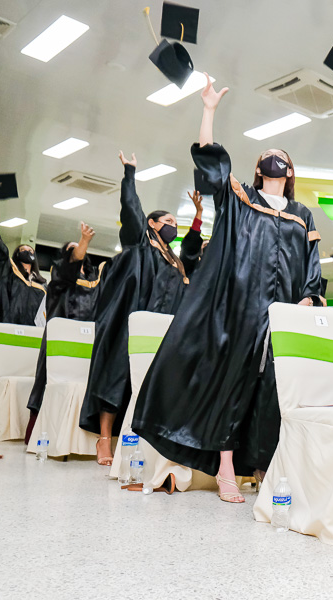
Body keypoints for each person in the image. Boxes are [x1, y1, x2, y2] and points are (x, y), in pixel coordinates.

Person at [132, 76, 322, 504]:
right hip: (241, 308)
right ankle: (226, 470)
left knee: (273, 388)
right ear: (259, 169)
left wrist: (309, 299)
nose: (275, 159)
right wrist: (209, 111)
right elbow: (213, 165)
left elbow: (311, 270)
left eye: (283, 157)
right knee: (233, 383)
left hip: (284, 314)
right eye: (267, 156)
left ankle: (266, 467)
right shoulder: (240, 197)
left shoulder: (303, 215)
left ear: (290, 172)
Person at [79, 152, 198, 466]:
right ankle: (105, 438)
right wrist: (129, 173)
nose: (173, 226)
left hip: (160, 331)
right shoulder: (139, 242)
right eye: (168, 221)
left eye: (175, 222)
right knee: (116, 377)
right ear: (152, 223)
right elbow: (131, 208)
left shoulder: (174, 260)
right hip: (127, 324)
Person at [25, 222, 103, 442]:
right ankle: (40, 435)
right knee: (47, 383)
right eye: (72, 249)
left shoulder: (93, 280)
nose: (77, 251)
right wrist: (84, 241)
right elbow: (70, 265)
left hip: (87, 341)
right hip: (60, 341)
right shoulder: (59, 276)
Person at [0, 201, 47, 392]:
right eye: (23, 251)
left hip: (31, 339)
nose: (28, 252)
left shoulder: (42, 285)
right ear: (17, 255)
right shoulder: (8, 273)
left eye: (31, 251)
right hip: (7, 332)